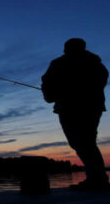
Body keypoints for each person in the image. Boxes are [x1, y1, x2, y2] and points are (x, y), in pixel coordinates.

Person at [41, 38, 109, 191]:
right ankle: (97, 178)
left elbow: (97, 84)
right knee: (83, 142)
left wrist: (55, 94)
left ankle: (97, 180)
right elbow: (46, 82)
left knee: (83, 142)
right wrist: (50, 95)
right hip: (85, 108)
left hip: (77, 108)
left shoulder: (64, 63)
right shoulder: (94, 63)